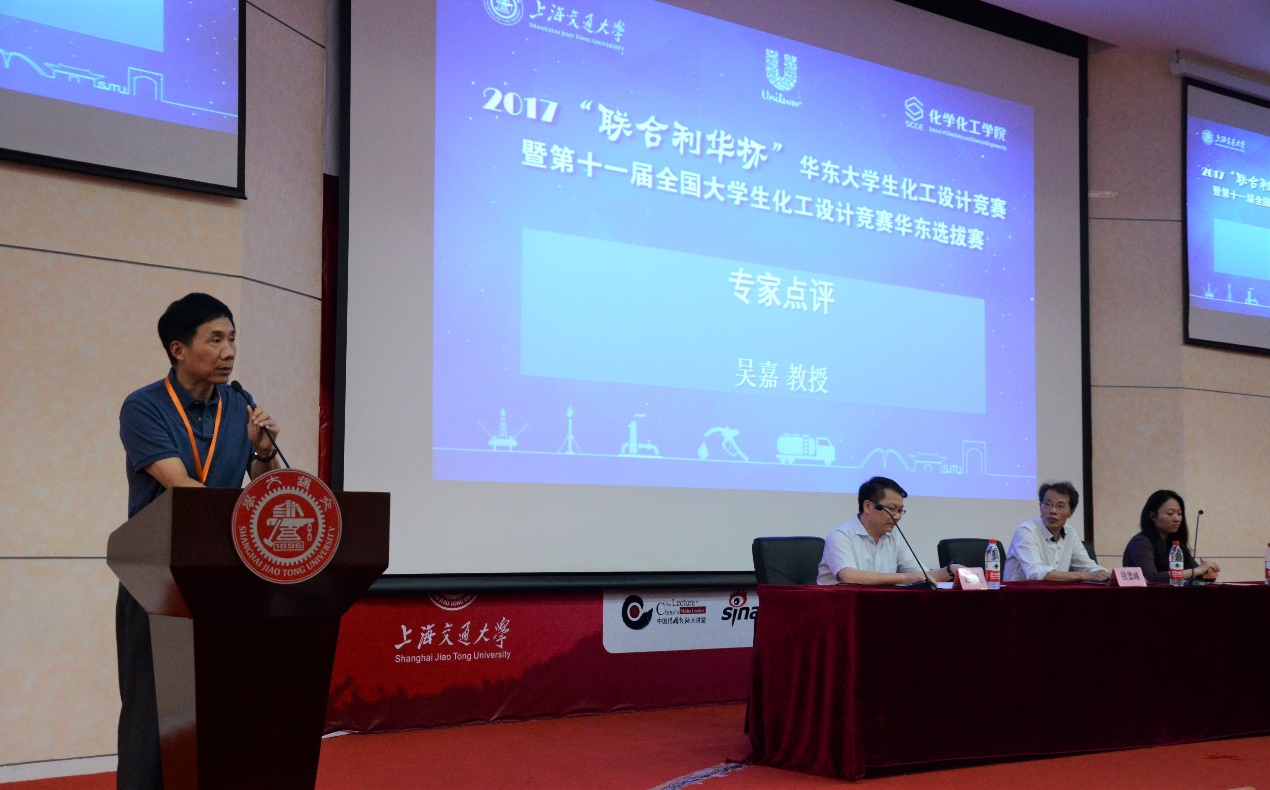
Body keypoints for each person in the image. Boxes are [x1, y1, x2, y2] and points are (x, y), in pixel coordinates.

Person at [116, 293, 281, 789]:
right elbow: (180, 486)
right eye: (215, 340)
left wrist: (264, 453)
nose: (229, 351)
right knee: (154, 712)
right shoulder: (144, 407)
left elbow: (261, 483)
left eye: (232, 339)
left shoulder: (240, 403)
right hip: (157, 577)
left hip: (224, 576)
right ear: (178, 349)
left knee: (221, 706)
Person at [817, 476, 958, 586]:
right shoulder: (841, 536)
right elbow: (849, 576)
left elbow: (922, 574)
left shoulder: (894, 537)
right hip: (840, 608)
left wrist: (951, 570)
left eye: (900, 510)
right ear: (867, 506)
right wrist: (907, 578)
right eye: (892, 509)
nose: (897, 516)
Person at [1004, 481, 1109, 582]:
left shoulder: (1070, 533)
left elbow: (1088, 567)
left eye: (1060, 506)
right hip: (1019, 593)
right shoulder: (1026, 531)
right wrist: (1084, 575)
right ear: (1040, 506)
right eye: (1047, 504)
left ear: (1071, 512)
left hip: (1053, 593)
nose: (1053, 511)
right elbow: (1035, 572)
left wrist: (1106, 575)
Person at [1122, 489, 1220, 584]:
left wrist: (1207, 573)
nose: (1177, 519)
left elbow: (1194, 572)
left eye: (1180, 513)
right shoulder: (1140, 542)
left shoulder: (1175, 543)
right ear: (1152, 516)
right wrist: (1198, 571)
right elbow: (1151, 578)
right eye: (1170, 513)